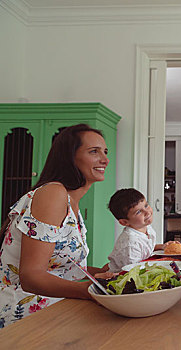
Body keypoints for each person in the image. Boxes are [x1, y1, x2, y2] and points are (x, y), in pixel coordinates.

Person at [0, 124, 114, 328]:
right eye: (94, 151)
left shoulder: (71, 203)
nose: (105, 159)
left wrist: (102, 273)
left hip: (52, 305)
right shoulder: (52, 194)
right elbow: (31, 277)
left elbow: (60, 267)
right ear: (70, 157)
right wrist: (87, 290)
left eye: (105, 152)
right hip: (19, 314)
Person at [105, 188, 173, 272]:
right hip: (124, 278)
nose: (147, 212)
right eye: (138, 212)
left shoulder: (146, 227)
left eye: (146, 205)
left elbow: (145, 249)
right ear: (124, 222)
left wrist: (162, 247)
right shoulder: (130, 243)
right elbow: (134, 273)